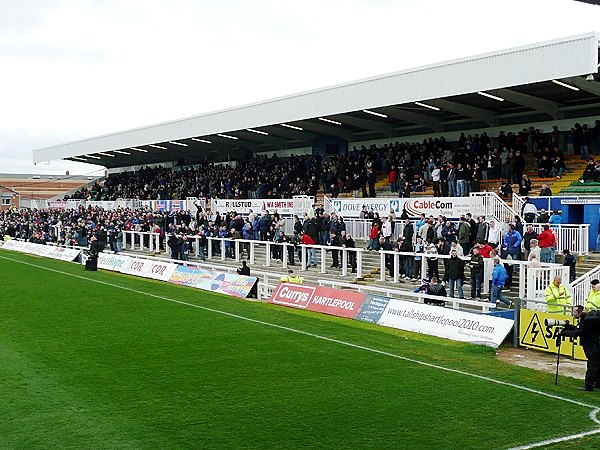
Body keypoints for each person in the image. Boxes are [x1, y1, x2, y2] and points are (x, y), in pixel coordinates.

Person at [560, 306, 600, 391]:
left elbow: (576, 333)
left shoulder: (585, 321)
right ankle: (597, 383)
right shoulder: (587, 320)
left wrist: (563, 332)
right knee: (596, 365)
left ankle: (588, 386)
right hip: (595, 345)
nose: (573, 314)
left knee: (592, 366)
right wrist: (569, 326)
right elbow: (580, 329)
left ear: (579, 313)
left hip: (592, 346)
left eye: (574, 312)